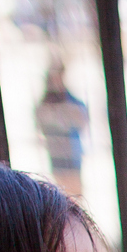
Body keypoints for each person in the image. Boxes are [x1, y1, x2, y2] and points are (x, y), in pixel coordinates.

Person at [35, 59, 89, 198]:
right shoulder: (45, 103)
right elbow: (41, 124)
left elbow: (82, 120)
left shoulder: (72, 101)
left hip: (72, 156)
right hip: (56, 157)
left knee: (75, 196)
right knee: (63, 197)